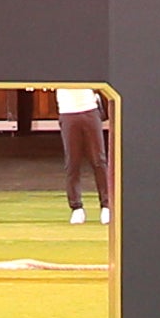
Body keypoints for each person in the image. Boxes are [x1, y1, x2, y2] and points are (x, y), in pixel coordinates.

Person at [58, 85, 111, 221]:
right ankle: (76, 208)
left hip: (89, 110)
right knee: (72, 163)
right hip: (67, 111)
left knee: (99, 161)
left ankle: (106, 205)